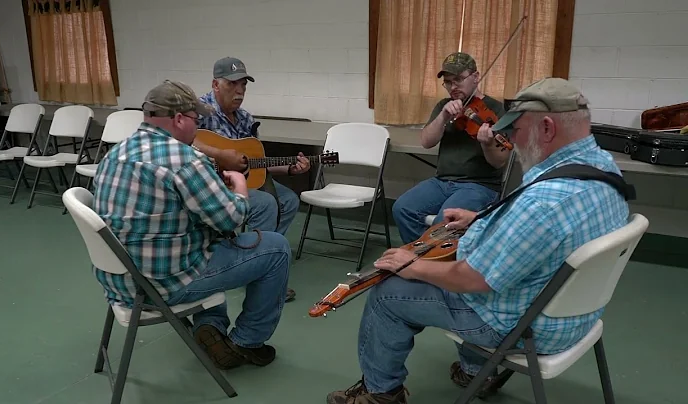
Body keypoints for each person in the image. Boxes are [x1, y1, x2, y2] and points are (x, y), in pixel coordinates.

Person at [325, 78, 631, 404]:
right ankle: (474, 372)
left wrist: (412, 266)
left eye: (518, 128)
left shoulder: (544, 202)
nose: (509, 138)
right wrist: (481, 220)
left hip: (526, 327)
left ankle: (380, 394)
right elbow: (543, 233)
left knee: (386, 294)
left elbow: (473, 279)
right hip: (577, 317)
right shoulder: (603, 168)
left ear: (546, 128)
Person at [92, 80, 291, 371]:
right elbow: (231, 218)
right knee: (277, 249)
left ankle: (210, 325)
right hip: (162, 285)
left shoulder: (115, 154)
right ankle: (246, 343)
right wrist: (239, 187)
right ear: (179, 119)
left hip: (121, 282)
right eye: (196, 120)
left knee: (206, 242)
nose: (197, 129)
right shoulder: (186, 160)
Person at [195, 56, 310, 302]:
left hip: (242, 183)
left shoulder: (246, 118)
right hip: (209, 184)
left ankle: (254, 256)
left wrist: (290, 169)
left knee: (288, 200)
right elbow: (183, 138)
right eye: (232, 85)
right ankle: (260, 274)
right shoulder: (200, 110)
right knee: (266, 204)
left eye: (243, 86)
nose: (239, 91)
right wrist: (220, 155)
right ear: (216, 84)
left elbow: (256, 165)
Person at [391, 52, 510, 244]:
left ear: (476, 77)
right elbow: (426, 141)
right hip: (442, 181)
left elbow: (498, 161)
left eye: (458, 80)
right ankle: (422, 258)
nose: (453, 87)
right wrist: (443, 117)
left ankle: (436, 265)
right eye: (448, 82)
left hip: (479, 186)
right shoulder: (444, 106)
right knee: (402, 208)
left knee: (443, 222)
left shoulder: (495, 110)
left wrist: (487, 143)